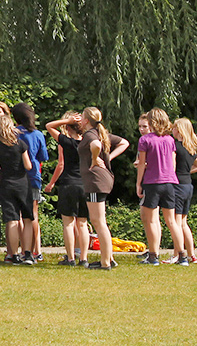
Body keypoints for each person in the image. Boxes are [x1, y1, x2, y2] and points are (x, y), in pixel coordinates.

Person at [79, 106, 127, 269]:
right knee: (100, 221)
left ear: (86, 120)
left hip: (95, 181)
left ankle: (105, 262)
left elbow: (96, 146)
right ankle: (109, 258)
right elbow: (124, 143)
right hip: (102, 179)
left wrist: (94, 159)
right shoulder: (101, 133)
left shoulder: (90, 134)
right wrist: (109, 159)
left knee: (98, 221)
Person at [0, 112, 35, 264]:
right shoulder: (20, 144)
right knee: (27, 218)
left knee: (12, 220)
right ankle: (27, 254)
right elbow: (28, 165)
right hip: (22, 183)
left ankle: (13, 254)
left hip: (6, 184)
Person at [135, 108, 179, 265]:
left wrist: (138, 183)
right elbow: (172, 163)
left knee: (152, 220)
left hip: (153, 182)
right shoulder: (170, 140)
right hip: (170, 182)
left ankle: (153, 256)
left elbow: (141, 164)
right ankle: (181, 255)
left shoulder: (145, 140)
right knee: (172, 221)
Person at [44, 111, 88, 265]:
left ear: (68, 128)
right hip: (84, 184)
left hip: (68, 183)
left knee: (68, 223)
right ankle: (84, 258)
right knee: (82, 223)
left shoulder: (66, 142)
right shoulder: (88, 143)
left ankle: (70, 258)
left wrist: (66, 121)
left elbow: (49, 126)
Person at [11, 102, 50, 262]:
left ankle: (17, 250)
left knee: (16, 216)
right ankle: (34, 251)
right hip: (33, 177)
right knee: (32, 216)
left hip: (14, 177)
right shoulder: (38, 134)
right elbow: (43, 157)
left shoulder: (12, 134)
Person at [170, 117, 197, 265]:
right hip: (188, 185)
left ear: (179, 130)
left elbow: (172, 166)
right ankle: (192, 255)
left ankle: (177, 254)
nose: (172, 130)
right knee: (184, 222)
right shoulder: (190, 148)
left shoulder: (175, 146)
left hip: (177, 186)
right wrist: (186, 173)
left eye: (174, 127)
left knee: (175, 223)